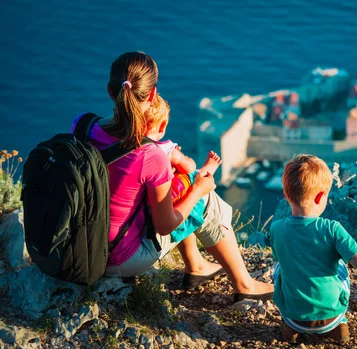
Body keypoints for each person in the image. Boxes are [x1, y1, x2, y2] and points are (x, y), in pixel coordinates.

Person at [71, 51, 272, 301]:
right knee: (203, 198)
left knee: (174, 187)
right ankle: (245, 286)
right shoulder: (149, 154)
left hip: (78, 245)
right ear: (153, 94)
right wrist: (199, 188)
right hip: (116, 258)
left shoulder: (82, 125)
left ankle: (196, 265)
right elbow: (166, 225)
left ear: (110, 91)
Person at [270, 154, 357, 344]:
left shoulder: (276, 228)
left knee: (280, 269)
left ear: (286, 195)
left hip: (293, 316)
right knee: (341, 264)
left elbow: (279, 257)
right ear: (320, 196)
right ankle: (341, 327)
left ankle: (289, 330)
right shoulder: (331, 228)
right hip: (331, 317)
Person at [144, 94, 222, 243]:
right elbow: (189, 166)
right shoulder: (166, 149)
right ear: (162, 125)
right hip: (163, 209)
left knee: (177, 175)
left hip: (144, 205)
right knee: (191, 176)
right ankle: (206, 171)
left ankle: (193, 261)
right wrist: (180, 156)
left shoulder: (127, 146)